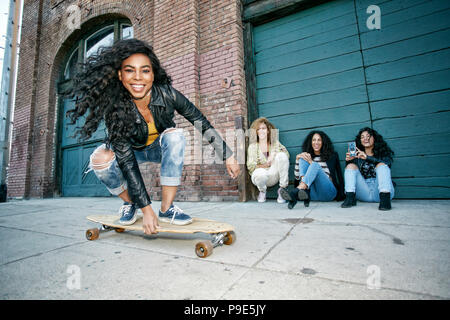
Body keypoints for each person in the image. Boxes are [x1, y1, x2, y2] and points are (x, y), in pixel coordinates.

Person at [66, 39, 240, 234]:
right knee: (99, 159)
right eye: (130, 70)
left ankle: (166, 209)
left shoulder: (168, 95)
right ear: (120, 75)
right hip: (133, 152)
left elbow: (199, 120)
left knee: (175, 135)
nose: (138, 78)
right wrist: (145, 208)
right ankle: (129, 203)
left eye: (145, 70)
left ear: (153, 74)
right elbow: (127, 162)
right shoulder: (115, 107)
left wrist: (228, 155)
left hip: (158, 148)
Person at [280, 130, 344, 209]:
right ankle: (303, 190)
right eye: (314, 140)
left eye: (319, 140)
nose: (316, 142)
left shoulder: (332, 156)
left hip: (328, 192)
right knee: (303, 157)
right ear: (310, 142)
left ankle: (296, 192)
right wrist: (297, 160)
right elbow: (297, 178)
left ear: (323, 142)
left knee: (315, 165)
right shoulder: (307, 156)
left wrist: (343, 195)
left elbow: (339, 175)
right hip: (313, 195)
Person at [341, 127, 395, 211]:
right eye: (362, 137)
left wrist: (367, 157)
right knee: (350, 166)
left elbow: (387, 165)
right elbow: (351, 175)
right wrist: (349, 161)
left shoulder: (382, 153)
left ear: (374, 138)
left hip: (381, 192)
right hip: (364, 191)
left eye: (368, 136)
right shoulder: (357, 156)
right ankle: (350, 198)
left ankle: (385, 201)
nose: (365, 139)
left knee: (381, 165)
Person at [246, 117, 290, 203]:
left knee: (282, 155)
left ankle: (282, 189)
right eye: (258, 129)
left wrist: (274, 154)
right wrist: (266, 164)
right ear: (256, 132)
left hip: (273, 175)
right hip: (260, 177)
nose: (261, 131)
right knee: (260, 174)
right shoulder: (253, 146)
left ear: (268, 130)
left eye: (263, 128)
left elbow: (286, 155)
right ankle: (262, 191)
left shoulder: (275, 143)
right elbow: (251, 167)